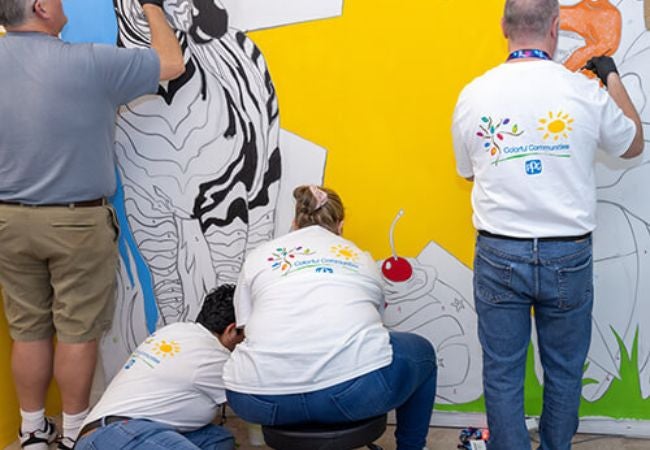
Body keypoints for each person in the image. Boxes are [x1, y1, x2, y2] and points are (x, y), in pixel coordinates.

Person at [451, 0, 644, 449]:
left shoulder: (473, 94)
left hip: (499, 251)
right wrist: (609, 74)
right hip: (567, 253)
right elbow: (633, 144)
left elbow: (466, 171)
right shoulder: (583, 92)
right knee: (563, 369)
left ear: (504, 27)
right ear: (556, 28)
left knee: (502, 372)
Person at [0, 0, 184, 448]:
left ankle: (31, 432)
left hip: (7, 220)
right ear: (41, 8)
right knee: (77, 332)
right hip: (76, 222)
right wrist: (153, 9)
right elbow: (171, 62)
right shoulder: (89, 62)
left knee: (27, 328)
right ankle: (74, 432)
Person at [223, 185, 438, 450]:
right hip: (349, 394)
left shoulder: (258, 257)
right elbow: (376, 328)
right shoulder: (360, 258)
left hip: (260, 399)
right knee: (423, 353)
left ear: (294, 222)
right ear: (341, 225)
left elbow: (244, 327)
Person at [74, 285, 242, 450]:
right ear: (232, 330)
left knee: (217, 440)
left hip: (105, 433)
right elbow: (257, 404)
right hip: (116, 434)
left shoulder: (177, 331)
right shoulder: (213, 355)